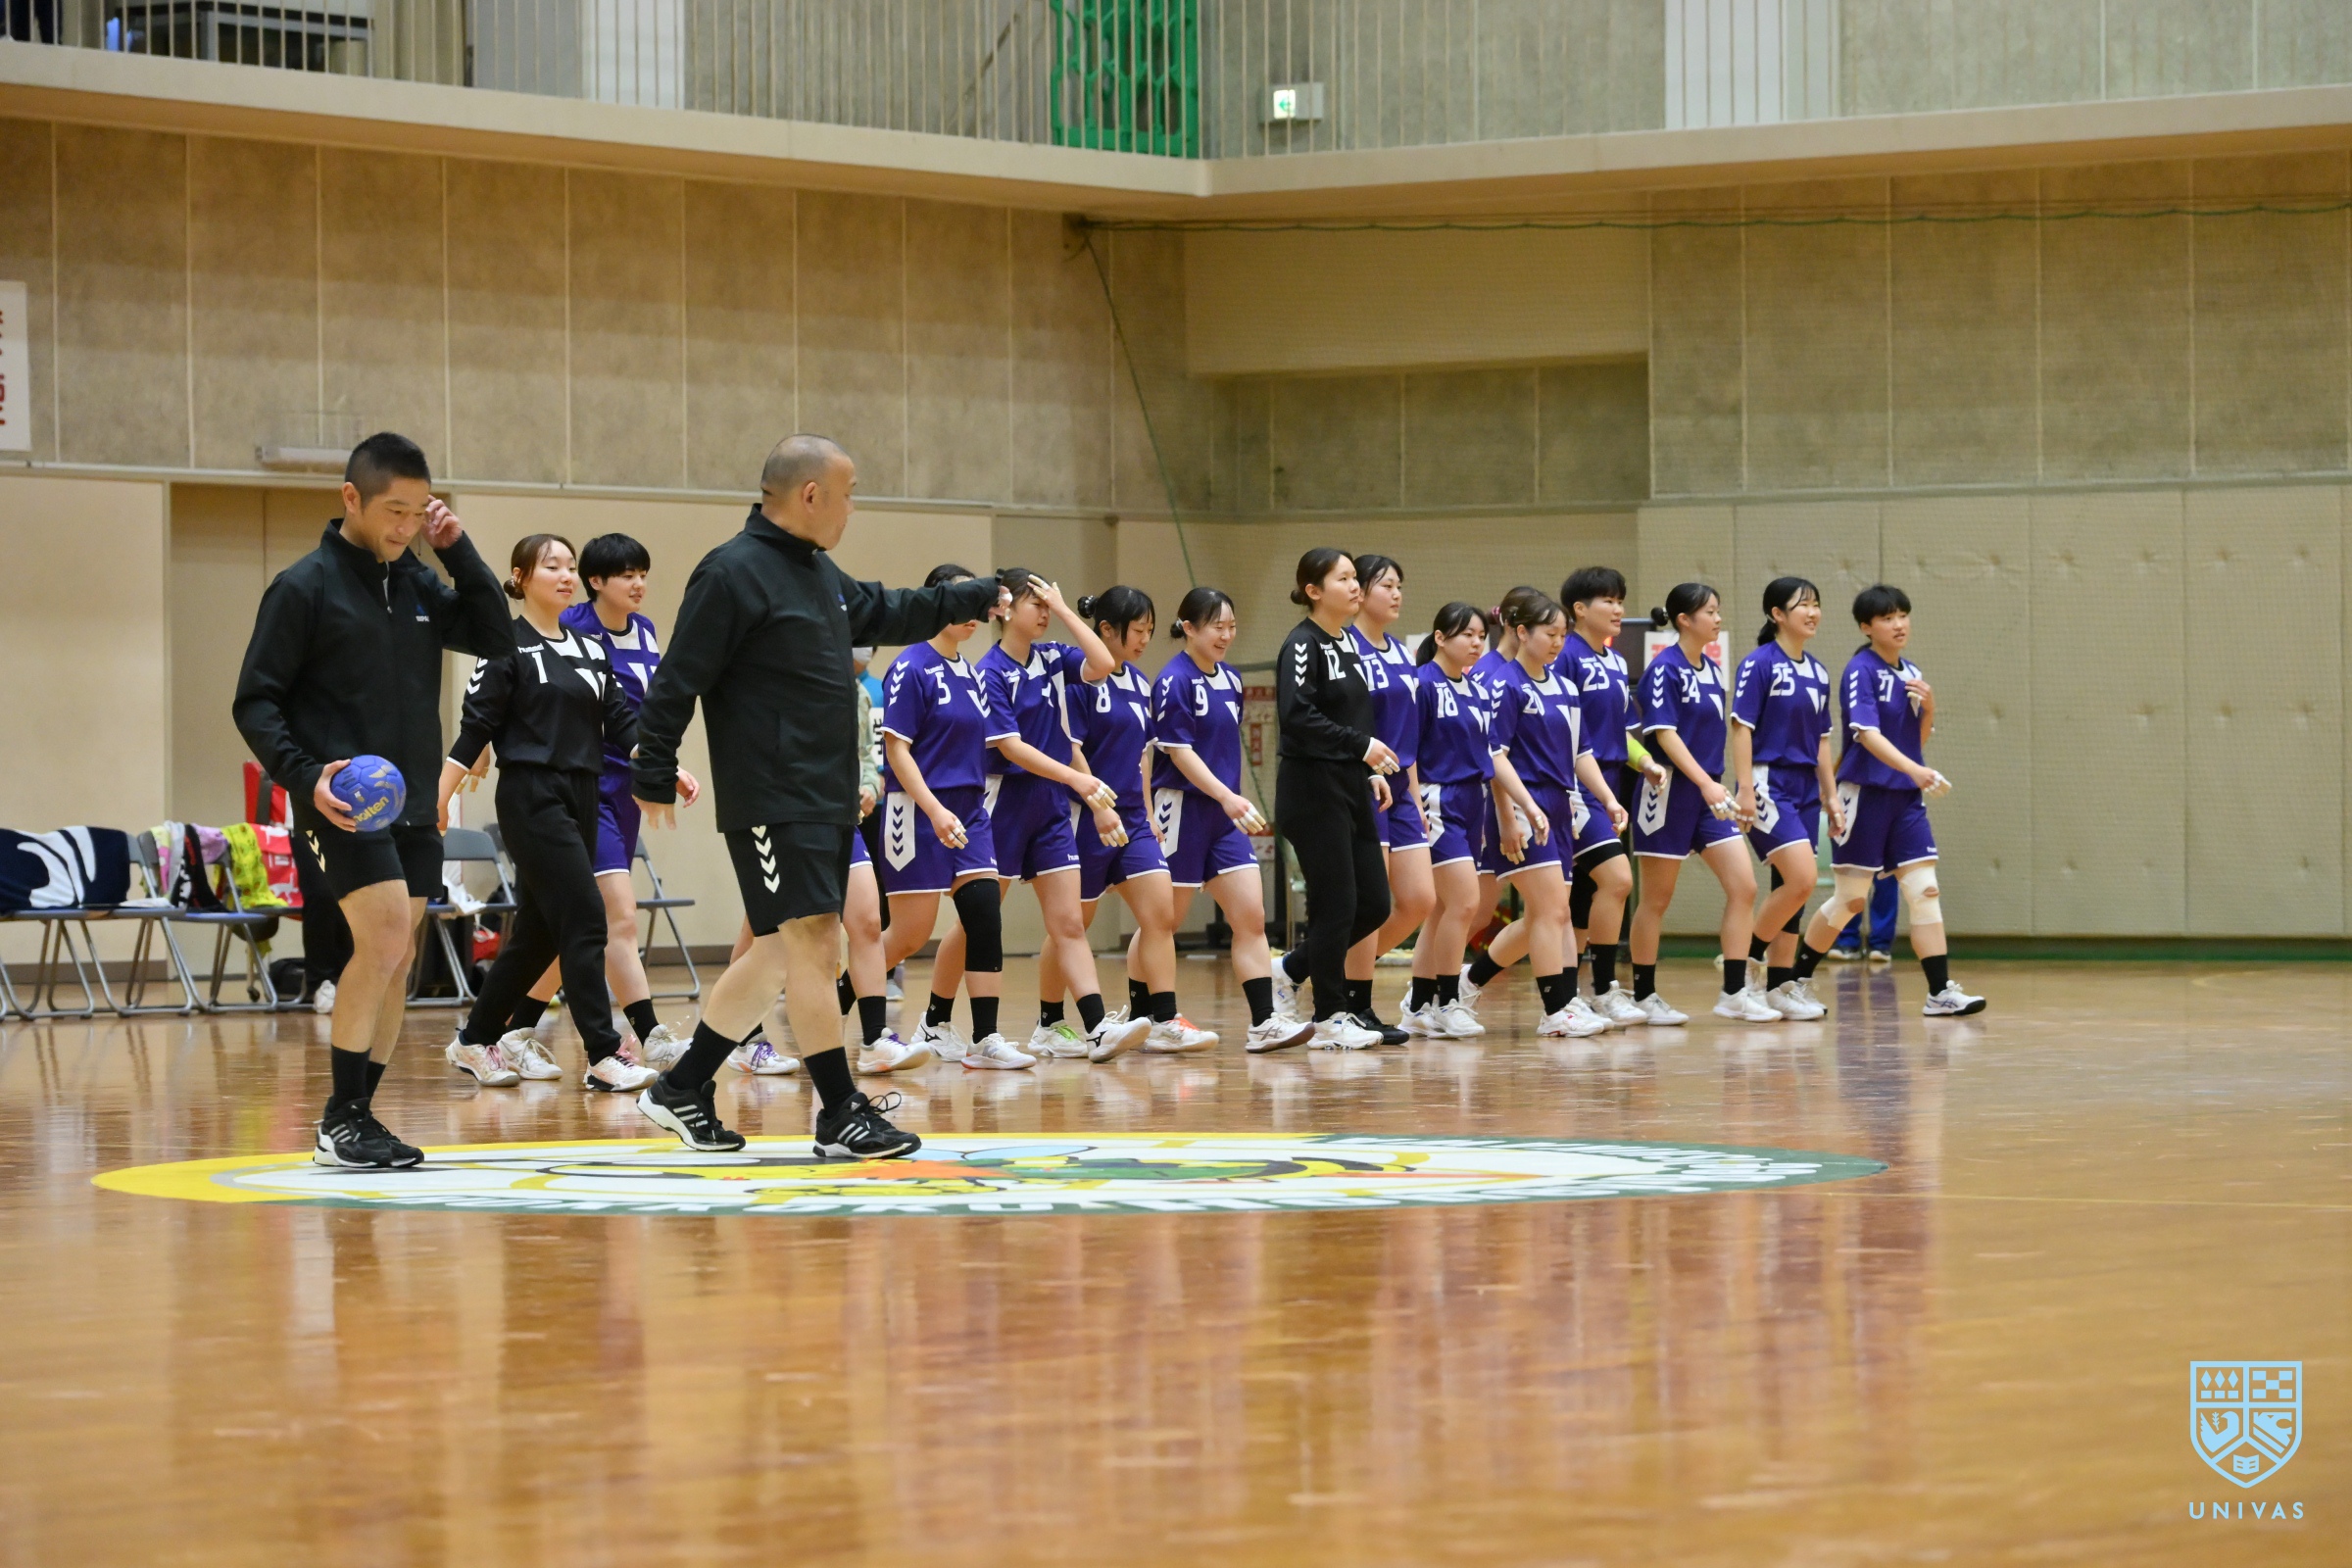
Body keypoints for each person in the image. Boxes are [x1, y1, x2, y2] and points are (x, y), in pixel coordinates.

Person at [628, 434, 1005, 1156]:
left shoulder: (817, 572)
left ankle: (682, 1087)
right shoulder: (731, 573)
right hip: (774, 797)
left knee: (778, 950)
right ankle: (839, 1110)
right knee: (813, 941)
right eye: (849, 493)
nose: (852, 507)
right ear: (810, 495)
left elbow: (888, 609)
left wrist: (977, 594)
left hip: (825, 796)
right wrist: (653, 771)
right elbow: (677, 678)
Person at [233, 432, 514, 1168]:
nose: (406, 526)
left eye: (420, 512)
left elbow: (496, 636)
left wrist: (455, 551)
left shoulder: (417, 583)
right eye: (395, 511)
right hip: (340, 802)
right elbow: (255, 702)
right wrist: (306, 777)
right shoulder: (304, 587)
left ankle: (358, 1115)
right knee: (385, 939)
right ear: (351, 498)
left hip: (414, 801)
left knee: (400, 953)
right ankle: (339, 1117)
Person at [434, 535, 681, 1092]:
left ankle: (474, 1039)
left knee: (539, 934)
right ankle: (603, 1053)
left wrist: (661, 765)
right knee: (588, 914)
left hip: (583, 792)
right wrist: (441, 796)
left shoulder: (591, 648)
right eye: (552, 566)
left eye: (570, 566)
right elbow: (475, 729)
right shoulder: (505, 646)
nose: (566, 575)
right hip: (531, 794)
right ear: (521, 577)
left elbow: (621, 722)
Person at [491, 532, 703, 1070]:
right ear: (596, 582)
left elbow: (637, 717)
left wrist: (662, 766)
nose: (638, 584)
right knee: (614, 915)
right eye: (627, 575)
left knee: (571, 922)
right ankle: (646, 1036)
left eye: (643, 574)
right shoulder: (572, 627)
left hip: (628, 790)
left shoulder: (645, 630)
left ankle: (514, 1031)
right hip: (584, 786)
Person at [923, 568, 1151, 1062]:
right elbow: (1012, 747)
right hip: (1004, 804)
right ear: (1005, 609)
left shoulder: (1052, 658)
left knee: (1068, 923)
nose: (1045, 613)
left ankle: (1095, 1028)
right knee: (977, 923)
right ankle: (935, 1019)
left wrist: (1066, 610)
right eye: (1037, 604)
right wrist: (1077, 780)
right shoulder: (989, 671)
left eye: (1049, 605)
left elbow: (1103, 661)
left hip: (1049, 807)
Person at [1784, 585, 1987, 1016]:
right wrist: (1915, 770)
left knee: (1924, 889)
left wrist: (1930, 709)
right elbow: (1866, 735)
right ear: (1866, 627)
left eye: (1903, 615)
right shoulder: (1861, 670)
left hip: (1905, 800)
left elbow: (1914, 740)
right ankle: (1795, 981)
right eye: (1887, 618)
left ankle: (1939, 992)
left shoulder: (1911, 672)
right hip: (1864, 795)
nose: (1898, 624)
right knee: (1851, 899)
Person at [871, 564, 1034, 1071]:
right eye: (961, 601)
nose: (972, 613)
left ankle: (985, 1038)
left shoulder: (972, 673)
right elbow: (897, 751)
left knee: (984, 915)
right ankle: (835, 1006)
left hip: (970, 812)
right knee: (909, 935)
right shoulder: (910, 666)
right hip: (918, 810)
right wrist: (934, 809)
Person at [1455, 592, 1622, 1039]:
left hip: (1560, 805)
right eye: (1550, 633)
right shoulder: (1505, 684)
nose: (1558, 642)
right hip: (1524, 804)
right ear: (1522, 632)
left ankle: (1545, 997)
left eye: (1563, 635)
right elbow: (1496, 755)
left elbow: (1581, 753)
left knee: (1553, 913)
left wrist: (1608, 799)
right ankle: (1555, 1009)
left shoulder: (1566, 688)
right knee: (1549, 909)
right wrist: (1517, 811)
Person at [1154, 587, 1311, 1053]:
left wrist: (1229, 798)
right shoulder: (1174, 680)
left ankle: (1264, 1022)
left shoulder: (1231, 679)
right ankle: (1154, 1017)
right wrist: (1226, 796)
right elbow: (1178, 752)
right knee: (1163, 921)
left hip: (1223, 815)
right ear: (1189, 628)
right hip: (1183, 808)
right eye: (1216, 627)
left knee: (1250, 917)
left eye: (1231, 626)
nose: (1225, 635)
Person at [1061, 587, 1217, 1053]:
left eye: (1150, 630)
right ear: (1107, 630)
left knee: (1160, 914)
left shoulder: (1138, 682)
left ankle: (1164, 1018)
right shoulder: (1079, 682)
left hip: (1132, 818)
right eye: (1138, 630)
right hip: (1087, 816)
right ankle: (1049, 1021)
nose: (1146, 639)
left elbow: (1142, 756)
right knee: (1071, 924)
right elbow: (1070, 750)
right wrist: (1097, 804)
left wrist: (1147, 813)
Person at [1626, 582, 1781, 1025]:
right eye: (1709, 612)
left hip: (1708, 795)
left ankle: (1733, 992)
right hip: (1667, 792)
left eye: (1717, 610)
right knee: (1656, 899)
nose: (1717, 618)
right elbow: (1664, 734)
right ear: (1684, 620)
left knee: (1744, 887)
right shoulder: (1664, 669)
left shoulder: (1711, 670)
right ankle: (1643, 995)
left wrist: (1715, 785)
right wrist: (1704, 783)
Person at [1267, 550, 1393, 1051]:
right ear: (1314, 590)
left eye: (1355, 577)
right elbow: (1298, 717)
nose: (1355, 585)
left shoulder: (1347, 643)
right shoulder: (1302, 644)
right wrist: (1360, 747)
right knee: (1336, 905)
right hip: (1311, 790)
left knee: (1374, 904)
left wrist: (1367, 770)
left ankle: (1290, 969)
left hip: (1350, 785)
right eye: (1343, 578)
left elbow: (1350, 715)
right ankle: (1330, 1016)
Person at [1729, 576, 1841, 1021]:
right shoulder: (1759, 664)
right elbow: (1741, 728)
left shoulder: (1818, 672)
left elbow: (1823, 740)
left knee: (1791, 890)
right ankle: (1744, 967)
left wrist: (1831, 796)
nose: (1812, 613)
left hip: (1805, 788)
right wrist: (1744, 788)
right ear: (1777, 614)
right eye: (1802, 605)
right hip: (1767, 782)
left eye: (1816, 604)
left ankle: (1779, 987)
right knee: (1802, 879)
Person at [1556, 566, 1660, 1026]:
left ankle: (1572, 994)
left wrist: (1645, 762)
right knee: (1617, 880)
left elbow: (1622, 732)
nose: (1618, 609)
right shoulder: (1565, 656)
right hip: (1577, 786)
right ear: (1580, 609)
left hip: (1614, 784)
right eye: (1608, 601)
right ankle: (1602, 989)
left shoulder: (1616, 662)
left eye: (1620, 600)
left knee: (1586, 893)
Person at [1339, 555, 1434, 1040]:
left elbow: (1408, 733)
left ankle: (1322, 969)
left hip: (1401, 788)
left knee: (1419, 900)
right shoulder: (1343, 648)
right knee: (1369, 903)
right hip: (1362, 785)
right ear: (1360, 591)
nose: (1396, 594)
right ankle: (1355, 1003)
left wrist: (1415, 797)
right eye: (1387, 585)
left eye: (1400, 586)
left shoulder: (1400, 652)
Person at [1401, 602, 1498, 1039]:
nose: (1476, 643)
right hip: (1437, 798)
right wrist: (1414, 804)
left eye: (1481, 636)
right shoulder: (1422, 684)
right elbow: (1407, 752)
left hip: (1473, 801)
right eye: (1467, 635)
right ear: (1440, 638)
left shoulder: (1476, 690)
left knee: (1443, 908)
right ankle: (1447, 1002)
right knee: (1464, 902)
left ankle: (1418, 1005)